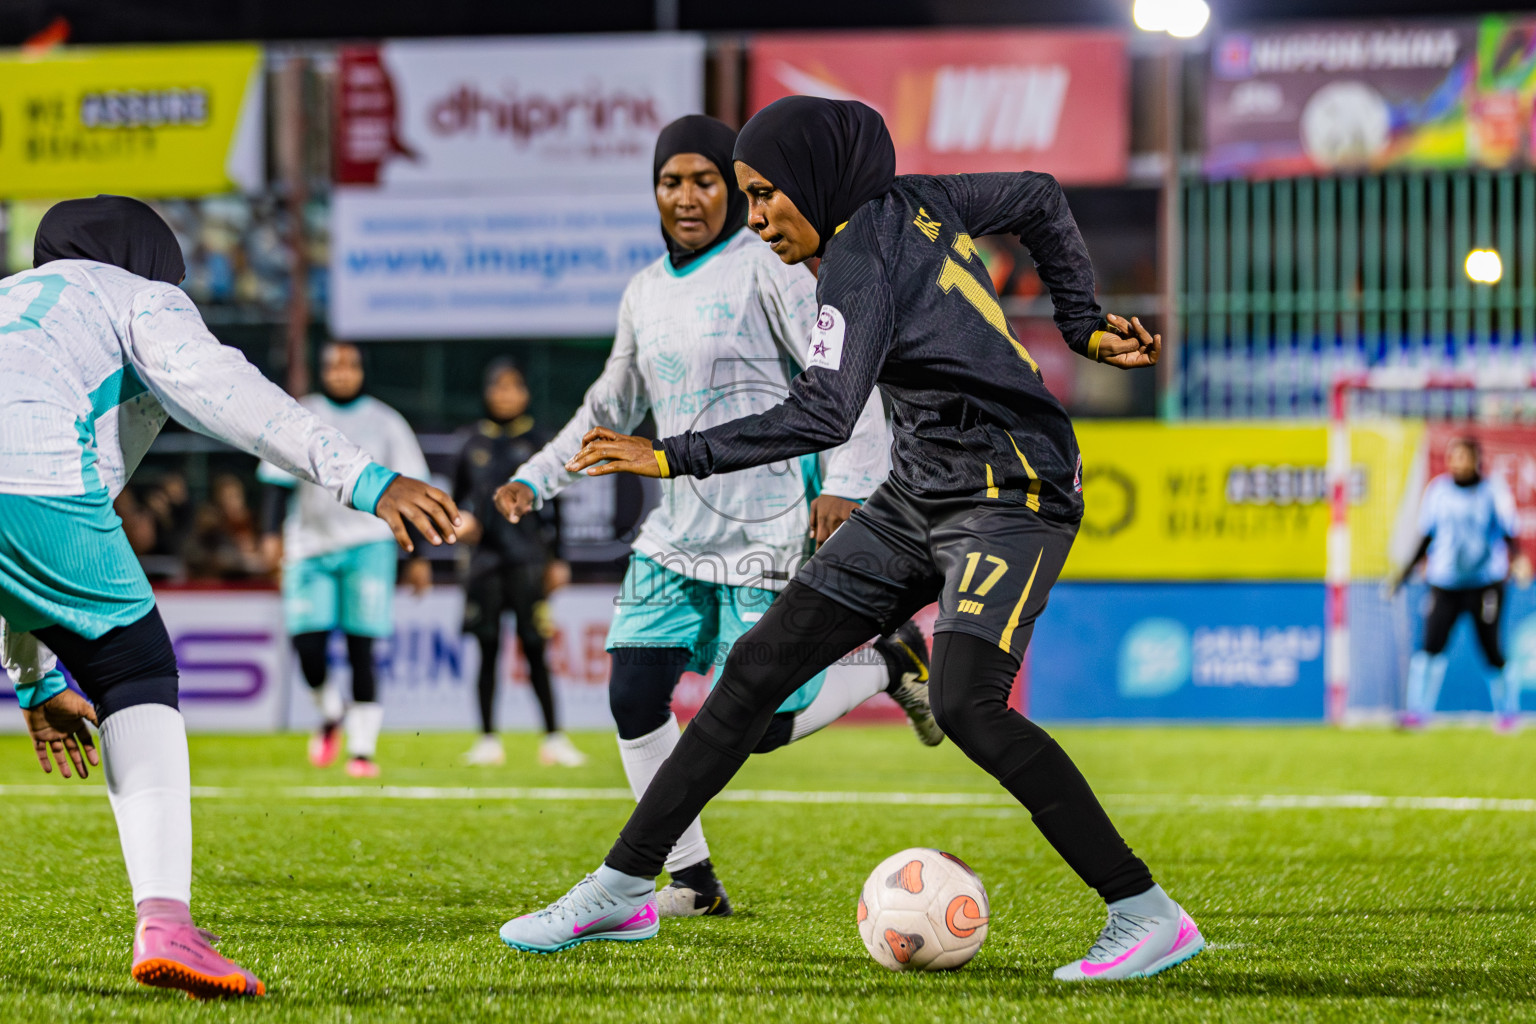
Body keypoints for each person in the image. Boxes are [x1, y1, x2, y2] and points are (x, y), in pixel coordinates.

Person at [497, 97, 1204, 983]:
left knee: (968, 705)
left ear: (819, 182)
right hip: (918, 492)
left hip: (1009, 494)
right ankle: (625, 886)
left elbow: (825, 411)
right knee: (756, 669)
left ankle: (1147, 914)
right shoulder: (923, 197)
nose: (756, 221)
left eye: (766, 196)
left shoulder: (856, 265)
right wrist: (1080, 317)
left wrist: (671, 456)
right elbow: (1035, 194)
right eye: (746, 199)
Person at [0, 195, 459, 999]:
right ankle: (167, 924)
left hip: (27, 480)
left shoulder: (17, 300)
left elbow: (22, 560)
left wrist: (35, 680)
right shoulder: (133, 293)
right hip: (33, 480)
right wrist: (366, 477)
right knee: (135, 671)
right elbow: (221, 388)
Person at [495, 114, 939, 920]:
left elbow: (851, 373)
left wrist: (846, 479)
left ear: (733, 191)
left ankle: (890, 663)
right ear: (655, 191)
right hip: (675, 534)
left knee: (762, 724)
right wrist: (537, 477)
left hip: (765, 526)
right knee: (634, 696)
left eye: (706, 180)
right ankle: (694, 885)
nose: (688, 197)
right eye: (672, 181)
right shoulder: (645, 290)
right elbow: (611, 406)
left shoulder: (767, 267)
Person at [258, 340, 433, 778]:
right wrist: (269, 534)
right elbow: (275, 481)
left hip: (368, 544)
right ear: (322, 369)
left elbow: (413, 487)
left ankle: (362, 750)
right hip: (308, 546)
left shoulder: (386, 421)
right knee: (308, 649)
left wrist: (419, 556)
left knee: (362, 648)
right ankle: (331, 712)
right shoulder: (300, 414)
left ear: (361, 370)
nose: (341, 371)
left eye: (349, 364)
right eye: (332, 364)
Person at [452, 359, 583, 768]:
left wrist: (558, 559)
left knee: (535, 648)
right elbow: (455, 500)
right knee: (488, 650)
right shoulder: (470, 442)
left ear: (525, 393)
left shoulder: (541, 443)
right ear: (487, 392)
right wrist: (461, 519)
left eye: (514, 387)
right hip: (485, 563)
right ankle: (488, 739)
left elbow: (557, 506)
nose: (506, 395)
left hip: (528, 561)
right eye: (499, 387)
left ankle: (553, 739)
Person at [1392, 436, 1531, 732]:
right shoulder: (1438, 492)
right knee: (1430, 647)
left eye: (1464, 457)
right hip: (1445, 583)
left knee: (1492, 650)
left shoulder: (1492, 492)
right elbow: (1426, 536)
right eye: (1454, 457)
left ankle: (1508, 714)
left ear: (1476, 460)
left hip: (1485, 583)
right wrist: (1404, 574)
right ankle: (1418, 713)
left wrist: (1518, 559)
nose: (1458, 463)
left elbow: (1507, 531)